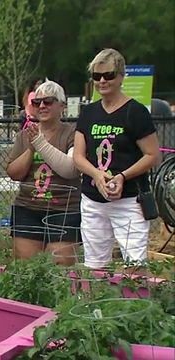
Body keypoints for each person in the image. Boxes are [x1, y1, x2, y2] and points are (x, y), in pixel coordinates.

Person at [73, 49, 161, 268]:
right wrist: (96, 173)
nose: (102, 81)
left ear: (121, 76)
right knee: (94, 263)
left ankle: (136, 301)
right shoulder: (88, 113)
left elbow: (153, 155)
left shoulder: (135, 112)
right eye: (97, 76)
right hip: (93, 197)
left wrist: (122, 176)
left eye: (109, 75)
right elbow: (78, 155)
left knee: (135, 263)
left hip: (129, 198)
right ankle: (96, 302)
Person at [6, 81, 81, 265]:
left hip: (63, 208)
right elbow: (13, 173)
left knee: (60, 268)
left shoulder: (72, 133)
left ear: (62, 106)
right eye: (37, 102)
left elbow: (71, 169)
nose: (41, 106)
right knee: (26, 268)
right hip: (28, 207)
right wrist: (31, 150)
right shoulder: (26, 135)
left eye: (48, 102)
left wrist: (40, 143)